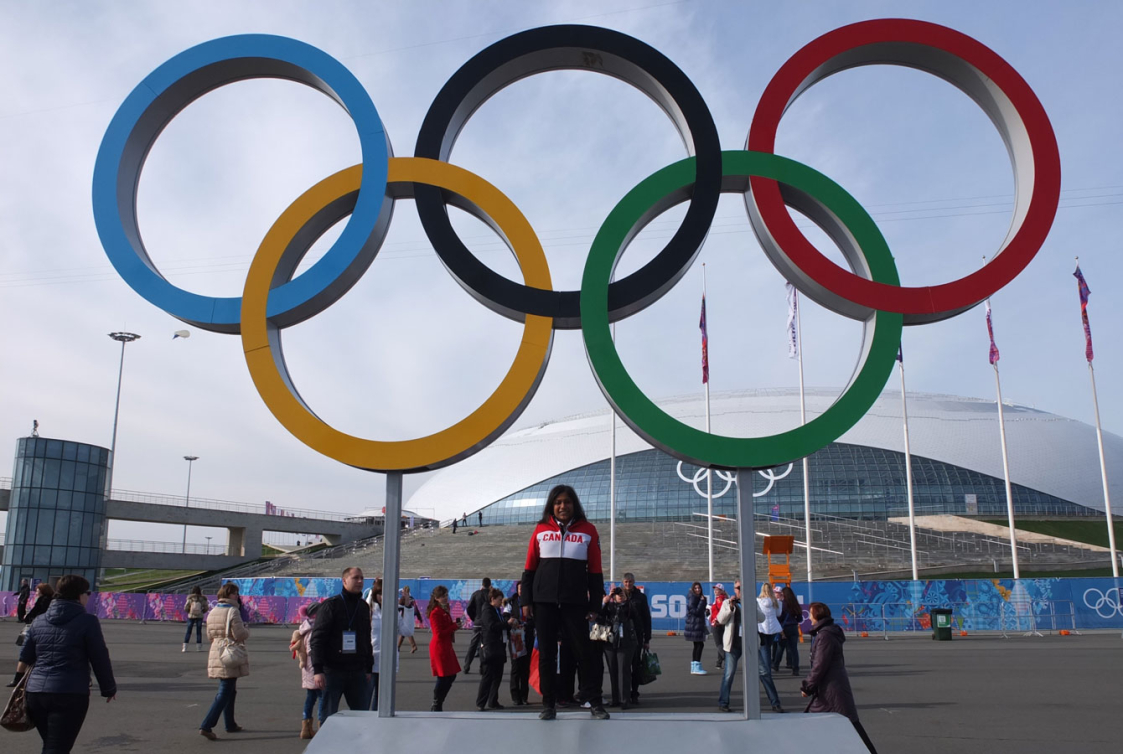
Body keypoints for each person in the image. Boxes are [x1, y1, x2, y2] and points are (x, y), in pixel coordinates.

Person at [521, 484, 609, 720]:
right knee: (547, 655)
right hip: (544, 603)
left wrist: (594, 606)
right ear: (552, 505)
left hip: (575, 603)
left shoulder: (588, 530)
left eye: (567, 502)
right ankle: (548, 704)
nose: (562, 506)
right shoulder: (540, 529)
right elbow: (529, 569)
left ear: (574, 504)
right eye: (558, 502)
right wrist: (526, 601)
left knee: (586, 654)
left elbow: (596, 572)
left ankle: (594, 702)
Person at [17, 574, 116, 753]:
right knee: (57, 748)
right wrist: (108, 688)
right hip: (69, 693)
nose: (89, 596)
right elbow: (99, 657)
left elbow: (25, 655)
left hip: (36, 693)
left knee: (51, 744)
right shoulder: (88, 621)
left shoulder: (39, 620)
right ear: (79, 595)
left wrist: (19, 679)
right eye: (88, 592)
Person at [801, 603, 878, 754]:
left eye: (811, 614)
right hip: (830, 688)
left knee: (847, 724)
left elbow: (819, 665)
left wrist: (807, 687)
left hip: (831, 689)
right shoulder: (826, 633)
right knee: (843, 724)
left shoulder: (825, 636)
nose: (809, 617)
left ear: (817, 615)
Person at [310, 567, 373, 719]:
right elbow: (317, 639)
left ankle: (359, 743)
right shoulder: (331, 605)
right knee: (328, 715)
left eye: (362, 578)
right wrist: (318, 670)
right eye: (355, 578)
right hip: (333, 670)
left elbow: (366, 638)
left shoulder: (364, 607)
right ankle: (326, 742)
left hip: (358, 670)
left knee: (362, 715)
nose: (360, 581)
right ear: (344, 581)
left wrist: (368, 667)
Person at [715, 581, 774, 714]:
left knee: (764, 672)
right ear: (734, 589)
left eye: (743, 588)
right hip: (733, 643)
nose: (740, 590)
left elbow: (762, 618)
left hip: (750, 643)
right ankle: (723, 702)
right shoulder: (727, 602)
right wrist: (731, 607)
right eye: (738, 588)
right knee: (729, 674)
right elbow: (721, 619)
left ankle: (775, 702)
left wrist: (749, 606)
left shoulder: (753, 602)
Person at [199, 582, 248, 739]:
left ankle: (230, 723)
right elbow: (239, 634)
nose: (237, 596)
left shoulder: (213, 611)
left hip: (216, 650)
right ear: (229, 595)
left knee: (230, 689)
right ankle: (206, 725)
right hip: (229, 651)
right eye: (235, 593)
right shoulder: (233, 611)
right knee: (225, 690)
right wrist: (247, 631)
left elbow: (209, 635)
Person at [601, 587, 641, 709]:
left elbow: (635, 618)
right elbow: (600, 616)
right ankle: (615, 699)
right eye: (617, 594)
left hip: (626, 642)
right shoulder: (610, 606)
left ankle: (625, 699)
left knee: (624, 670)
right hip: (610, 641)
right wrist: (606, 601)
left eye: (622, 594)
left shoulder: (629, 606)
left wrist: (625, 601)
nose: (619, 596)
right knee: (613, 670)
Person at [290, 602, 325, 739]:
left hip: (307, 669)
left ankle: (306, 726)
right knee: (322, 697)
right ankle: (321, 724)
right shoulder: (314, 630)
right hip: (315, 667)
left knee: (310, 697)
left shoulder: (304, 628)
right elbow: (313, 649)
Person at [475, 587, 511, 710]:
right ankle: (481, 702)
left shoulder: (496, 611)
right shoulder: (487, 610)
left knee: (498, 675)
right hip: (490, 647)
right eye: (499, 600)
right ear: (492, 599)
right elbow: (492, 626)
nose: (501, 602)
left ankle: (493, 700)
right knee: (488, 676)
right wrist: (507, 624)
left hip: (499, 646)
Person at [426, 585, 462, 711]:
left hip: (446, 646)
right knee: (444, 676)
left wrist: (454, 626)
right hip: (440, 647)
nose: (445, 598)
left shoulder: (444, 610)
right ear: (436, 598)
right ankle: (437, 702)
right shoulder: (435, 612)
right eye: (442, 596)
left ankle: (438, 701)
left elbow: (445, 629)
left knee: (450, 675)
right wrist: (453, 627)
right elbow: (439, 633)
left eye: (446, 595)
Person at [368, 579, 399, 711]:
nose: (383, 597)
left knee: (381, 700)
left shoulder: (393, 611)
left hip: (387, 661)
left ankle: (376, 726)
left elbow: (407, 630)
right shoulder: (369, 610)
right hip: (370, 660)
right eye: (380, 593)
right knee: (365, 697)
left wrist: (408, 608)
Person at [621, 573, 650, 705]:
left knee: (635, 666)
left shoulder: (641, 597)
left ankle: (634, 693)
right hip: (622, 636)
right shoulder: (619, 596)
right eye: (626, 582)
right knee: (623, 667)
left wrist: (647, 639)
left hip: (637, 636)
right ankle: (624, 694)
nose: (628, 584)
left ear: (634, 582)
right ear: (623, 582)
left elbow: (646, 619)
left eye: (630, 582)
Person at [755, 583, 784, 713]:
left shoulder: (758, 600)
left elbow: (757, 615)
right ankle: (768, 669)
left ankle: (767, 669)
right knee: (768, 648)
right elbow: (778, 614)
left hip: (762, 628)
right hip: (773, 628)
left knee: (764, 649)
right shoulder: (775, 601)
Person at [505, 582, 534, 705]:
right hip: (516, 637)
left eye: (524, 588)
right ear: (517, 590)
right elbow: (505, 615)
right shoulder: (512, 601)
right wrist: (512, 621)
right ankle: (515, 696)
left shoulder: (532, 602)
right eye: (520, 588)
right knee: (516, 667)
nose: (522, 590)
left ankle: (524, 696)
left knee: (525, 668)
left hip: (528, 637)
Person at [462, 577, 491, 674]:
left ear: (482, 584)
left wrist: (474, 618)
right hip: (487, 624)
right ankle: (482, 667)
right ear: (490, 585)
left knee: (473, 645)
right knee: (485, 645)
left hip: (477, 623)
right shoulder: (491, 595)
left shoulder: (476, 594)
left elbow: (469, 607)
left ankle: (466, 665)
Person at [774, 586, 802, 675]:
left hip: (784, 627)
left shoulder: (782, 604)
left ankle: (776, 665)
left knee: (780, 647)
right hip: (793, 627)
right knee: (794, 649)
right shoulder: (795, 604)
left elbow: (779, 617)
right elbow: (800, 618)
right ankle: (795, 668)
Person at [685, 581, 709, 675]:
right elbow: (695, 611)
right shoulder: (693, 598)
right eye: (695, 588)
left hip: (697, 624)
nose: (698, 589)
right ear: (693, 589)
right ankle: (696, 667)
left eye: (699, 588)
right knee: (699, 645)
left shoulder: (697, 597)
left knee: (697, 645)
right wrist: (702, 602)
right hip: (695, 625)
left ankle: (695, 666)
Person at [183, 586, 209, 653]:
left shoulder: (190, 598)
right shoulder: (202, 599)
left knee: (188, 631)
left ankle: (185, 647)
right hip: (199, 616)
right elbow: (206, 607)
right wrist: (202, 612)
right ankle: (198, 647)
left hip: (191, 616)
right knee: (198, 632)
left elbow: (186, 607)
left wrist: (189, 611)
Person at [397, 586, 423, 654]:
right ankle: (399, 647)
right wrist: (419, 617)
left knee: (406, 631)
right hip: (411, 616)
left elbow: (398, 607)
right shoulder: (412, 598)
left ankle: (412, 646)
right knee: (406, 632)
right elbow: (416, 608)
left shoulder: (403, 598)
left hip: (405, 617)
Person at [710, 584, 728, 670]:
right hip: (721, 623)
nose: (715, 591)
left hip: (716, 623)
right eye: (715, 589)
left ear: (722, 591)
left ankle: (727, 659)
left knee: (719, 644)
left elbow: (721, 610)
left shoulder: (719, 598)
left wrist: (716, 619)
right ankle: (719, 662)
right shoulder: (722, 598)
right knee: (722, 643)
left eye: (718, 589)